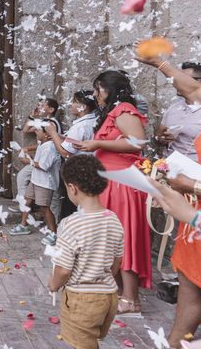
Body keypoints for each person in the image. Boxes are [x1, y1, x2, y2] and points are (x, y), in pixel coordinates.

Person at [137, 53, 201, 347]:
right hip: (198, 217)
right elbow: (192, 89)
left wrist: (192, 185)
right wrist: (158, 63)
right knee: (190, 291)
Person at [73, 70, 151, 315]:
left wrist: (98, 144)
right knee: (112, 240)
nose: (96, 95)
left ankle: (131, 299)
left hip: (122, 184)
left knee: (123, 239)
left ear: (110, 89)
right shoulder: (111, 112)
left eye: (98, 89)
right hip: (110, 181)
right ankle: (119, 292)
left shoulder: (125, 109)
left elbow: (137, 142)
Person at [47, 155, 124, 349]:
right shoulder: (113, 219)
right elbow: (117, 261)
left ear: (72, 188)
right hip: (109, 297)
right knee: (91, 341)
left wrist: (53, 285)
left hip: (82, 299)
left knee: (83, 345)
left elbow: (64, 270)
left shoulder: (71, 224)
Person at [45, 90, 99, 219]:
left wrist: (52, 133)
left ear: (83, 107)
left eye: (75, 102)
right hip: (89, 168)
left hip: (77, 170)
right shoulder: (93, 120)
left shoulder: (81, 125)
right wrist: (60, 137)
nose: (71, 104)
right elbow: (78, 143)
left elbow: (66, 152)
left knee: (71, 206)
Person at [9, 128, 62, 245]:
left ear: (47, 135)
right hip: (36, 180)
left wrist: (28, 161)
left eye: (38, 131)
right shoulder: (43, 145)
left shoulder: (49, 148)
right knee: (27, 200)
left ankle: (54, 233)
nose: (36, 132)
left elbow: (44, 166)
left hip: (45, 182)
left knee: (44, 207)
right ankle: (23, 225)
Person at [154, 62, 201, 161]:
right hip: (169, 169)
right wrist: (160, 138)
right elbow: (159, 139)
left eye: (183, 79)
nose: (176, 82)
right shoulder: (173, 108)